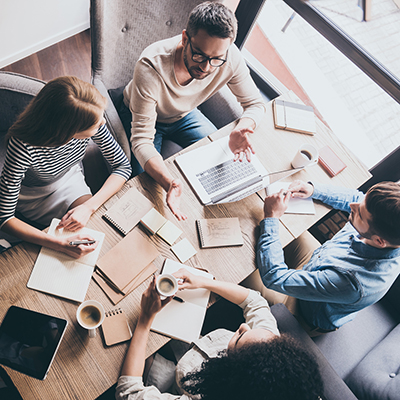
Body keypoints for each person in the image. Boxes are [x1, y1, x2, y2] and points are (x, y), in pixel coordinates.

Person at [121, 2, 266, 220]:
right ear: (185, 39)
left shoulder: (230, 58)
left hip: (185, 115)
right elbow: (142, 141)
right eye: (199, 55)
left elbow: (255, 104)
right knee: (145, 185)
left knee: (222, 160)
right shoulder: (151, 66)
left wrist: (243, 127)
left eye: (216, 58)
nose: (207, 67)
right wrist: (170, 183)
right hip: (144, 117)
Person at [116, 270, 324, 400]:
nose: (243, 326)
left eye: (240, 338)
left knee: (132, 352)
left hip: (177, 383)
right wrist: (204, 282)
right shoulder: (270, 351)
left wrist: (144, 319)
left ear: (232, 374)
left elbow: (129, 392)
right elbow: (255, 301)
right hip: (194, 348)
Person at [0, 76, 132, 258]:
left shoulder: (94, 118)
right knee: (68, 243)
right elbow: (5, 218)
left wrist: (88, 207)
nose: (103, 122)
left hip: (69, 177)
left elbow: (122, 165)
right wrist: (60, 244)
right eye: (95, 125)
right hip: (36, 196)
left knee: (94, 229)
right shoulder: (22, 146)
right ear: (69, 131)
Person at [246, 180, 400, 334]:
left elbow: (274, 278)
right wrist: (313, 189)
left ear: (379, 241)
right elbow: (356, 198)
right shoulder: (386, 230)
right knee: (282, 230)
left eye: (359, 213)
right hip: (318, 263)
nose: (353, 206)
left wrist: (271, 217)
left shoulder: (352, 283)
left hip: (302, 311)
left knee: (244, 270)